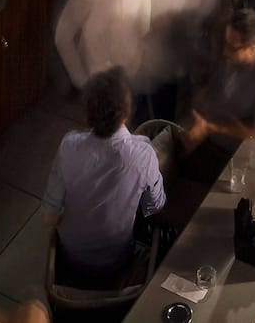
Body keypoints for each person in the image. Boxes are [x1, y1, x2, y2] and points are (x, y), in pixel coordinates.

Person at [41, 69, 166, 285]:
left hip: (70, 259)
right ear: (127, 112)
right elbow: (154, 207)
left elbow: (48, 217)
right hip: (116, 262)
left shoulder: (69, 146)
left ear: (87, 112)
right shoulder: (143, 155)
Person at [183, 8, 255, 165]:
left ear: (252, 50)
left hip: (227, 155)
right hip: (202, 125)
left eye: (232, 47)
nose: (225, 51)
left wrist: (210, 128)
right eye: (225, 43)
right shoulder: (238, 46)